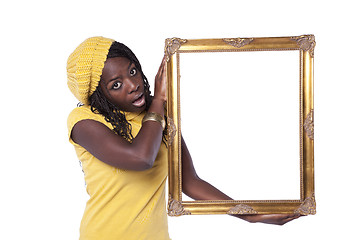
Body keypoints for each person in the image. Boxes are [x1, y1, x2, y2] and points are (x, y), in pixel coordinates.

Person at [67, 36, 300, 240]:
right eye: (116, 84)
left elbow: (189, 182)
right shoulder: (84, 121)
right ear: (98, 95)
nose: (133, 85)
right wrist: (158, 100)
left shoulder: (157, 115)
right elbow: (140, 157)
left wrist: (253, 216)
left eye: (132, 71)